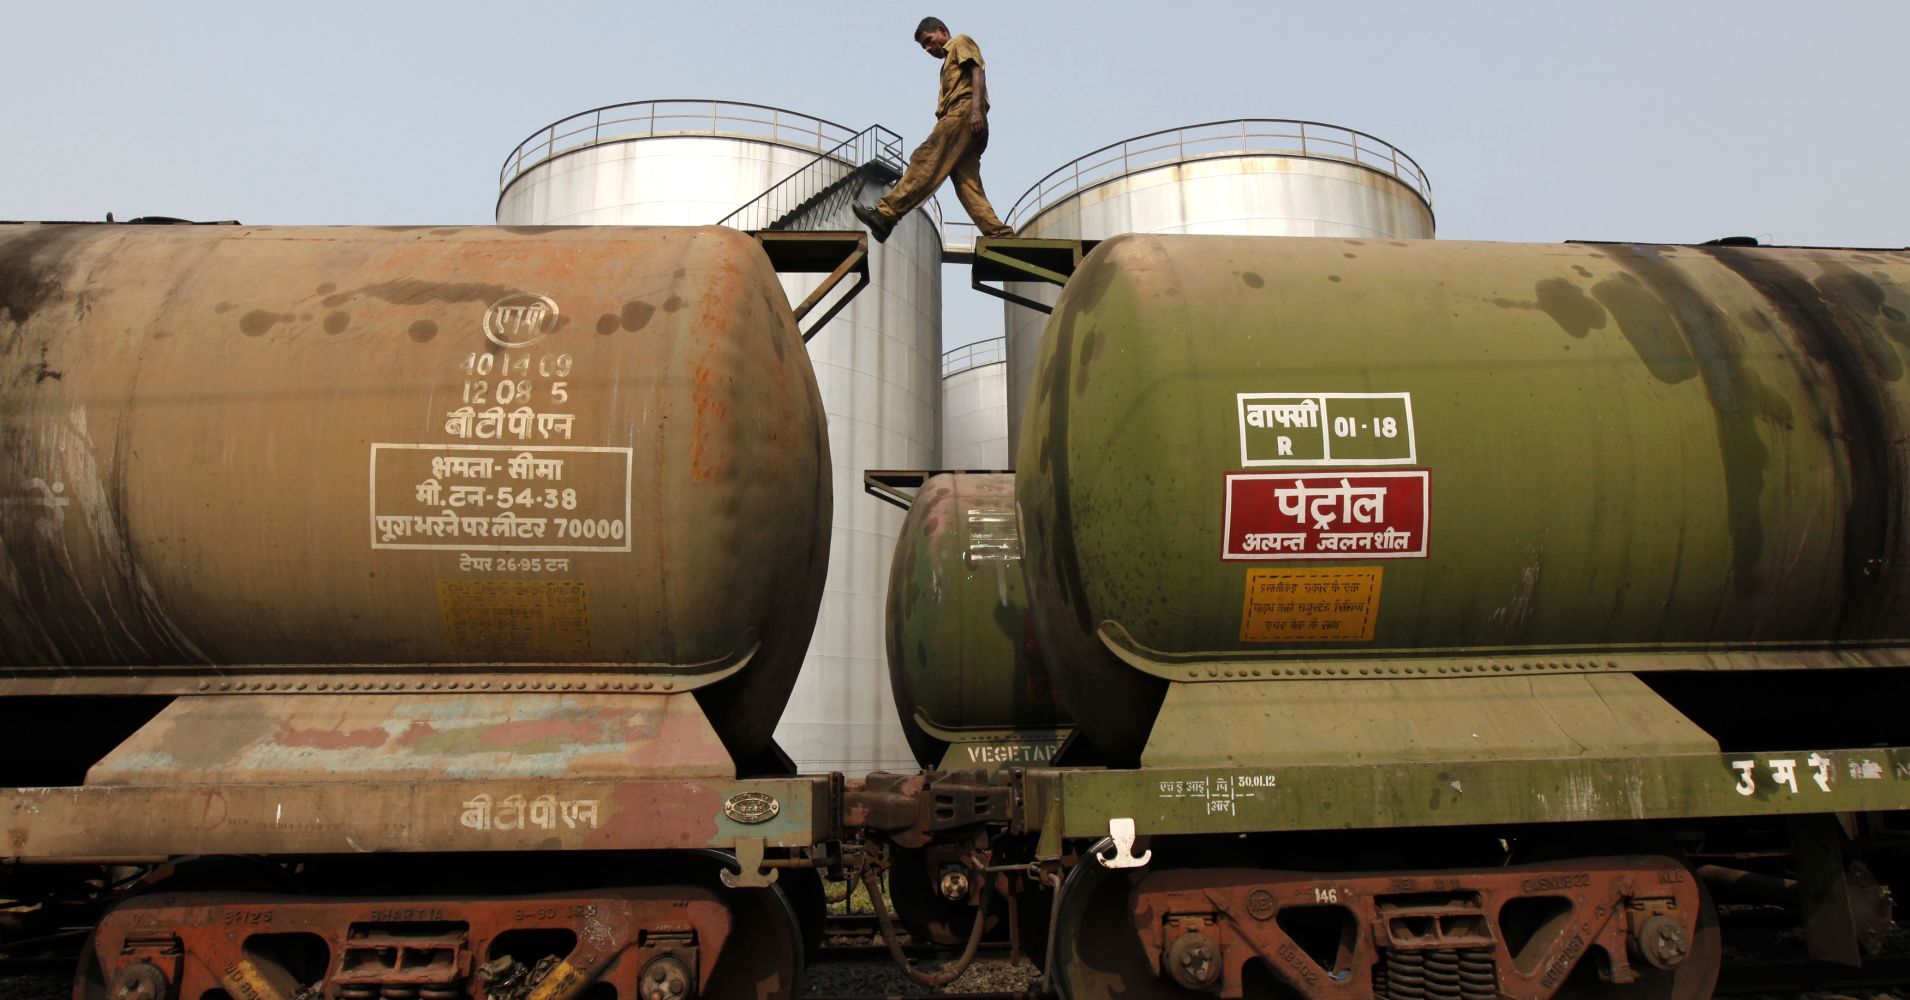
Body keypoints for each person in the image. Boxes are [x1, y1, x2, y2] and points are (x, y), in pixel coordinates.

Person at [853, 17, 1015, 244]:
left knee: (925, 158)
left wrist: (976, 110)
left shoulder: (959, 42)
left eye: (929, 41)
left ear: (941, 31)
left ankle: (885, 214)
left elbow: (978, 72)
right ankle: (1001, 235)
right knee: (967, 185)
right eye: (924, 46)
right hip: (965, 121)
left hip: (963, 112)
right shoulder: (947, 62)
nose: (928, 48)